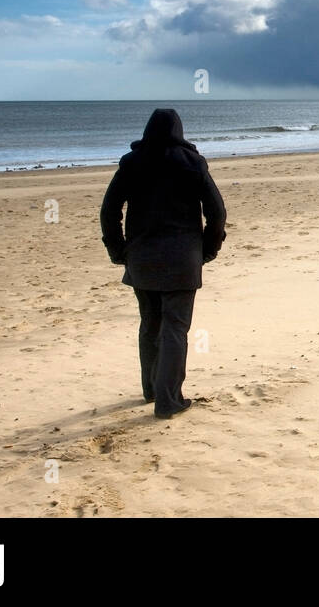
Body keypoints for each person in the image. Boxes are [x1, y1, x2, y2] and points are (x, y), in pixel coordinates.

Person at [100, 108, 226, 419]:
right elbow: (217, 213)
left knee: (150, 325)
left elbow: (109, 212)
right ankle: (168, 400)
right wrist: (207, 250)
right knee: (175, 329)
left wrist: (118, 251)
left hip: (142, 259)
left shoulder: (132, 163)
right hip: (183, 260)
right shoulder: (193, 163)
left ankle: (152, 390)